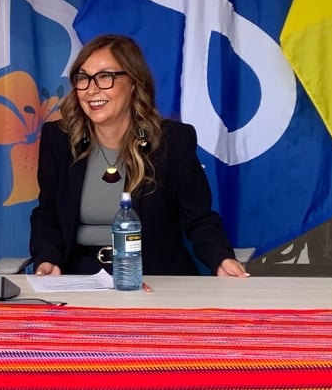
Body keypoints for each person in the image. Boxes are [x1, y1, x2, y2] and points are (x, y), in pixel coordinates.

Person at [30, 34, 248, 277]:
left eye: (105, 77)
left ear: (133, 82)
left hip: (153, 278)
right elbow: (47, 214)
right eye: (83, 78)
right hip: (79, 278)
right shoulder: (59, 140)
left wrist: (221, 259)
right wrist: (47, 257)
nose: (91, 89)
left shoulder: (172, 142)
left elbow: (199, 219)